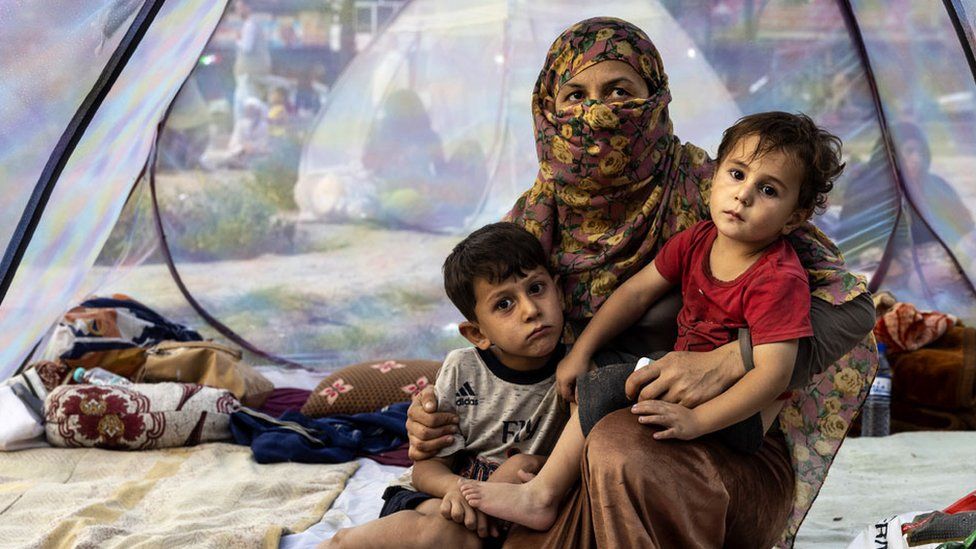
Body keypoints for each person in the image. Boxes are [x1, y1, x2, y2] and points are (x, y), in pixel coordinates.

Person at [406, 17, 877, 548]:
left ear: (654, 98)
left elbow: (855, 310)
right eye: (576, 95)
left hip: (716, 448)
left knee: (617, 446)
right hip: (574, 447)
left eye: (618, 91)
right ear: (548, 109)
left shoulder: (714, 193)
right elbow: (503, 348)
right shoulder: (535, 223)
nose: (597, 112)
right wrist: (435, 422)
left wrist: (726, 360)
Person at [457, 111, 844, 531]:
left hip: (740, 414)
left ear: (793, 218)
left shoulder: (777, 277)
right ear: (715, 176)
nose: (743, 195)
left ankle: (542, 495)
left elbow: (773, 375)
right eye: (736, 174)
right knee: (601, 366)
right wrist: (581, 352)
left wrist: (699, 421)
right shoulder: (698, 240)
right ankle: (558, 480)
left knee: (605, 386)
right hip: (685, 377)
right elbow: (635, 293)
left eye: (767, 189)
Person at [323, 222, 570, 548]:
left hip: (507, 507)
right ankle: (342, 542)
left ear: (560, 292)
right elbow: (426, 468)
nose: (530, 310)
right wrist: (456, 489)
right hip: (436, 494)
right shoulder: (463, 370)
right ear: (477, 334)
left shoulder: (576, 370)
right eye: (504, 304)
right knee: (447, 532)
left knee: (521, 466)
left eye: (536, 288)